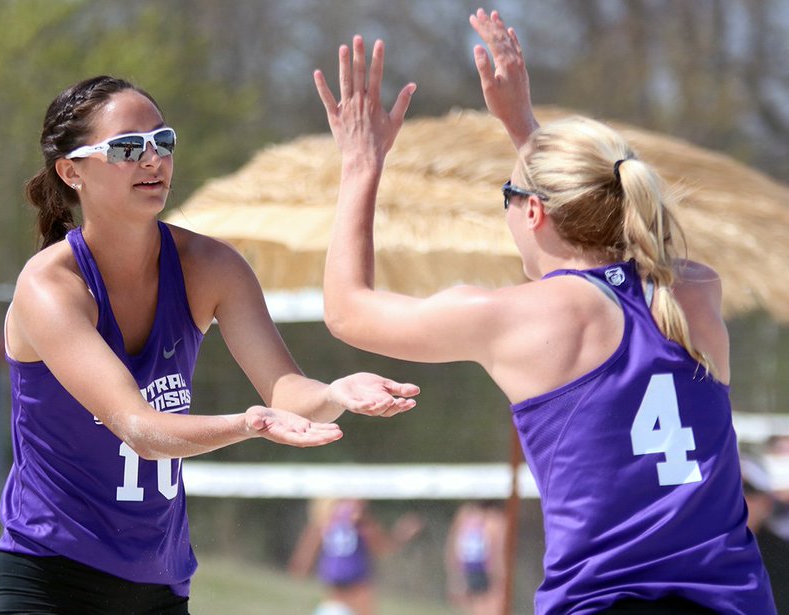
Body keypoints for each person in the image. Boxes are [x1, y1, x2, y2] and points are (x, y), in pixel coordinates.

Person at [312, 8, 775, 615]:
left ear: (532, 213)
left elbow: (348, 311)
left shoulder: (519, 318)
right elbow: (600, 228)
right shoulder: (693, 291)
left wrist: (360, 162)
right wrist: (525, 132)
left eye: (508, 196)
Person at [0, 75, 421, 614]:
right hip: (52, 578)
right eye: (128, 147)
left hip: (159, 583)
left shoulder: (211, 267)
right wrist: (248, 424)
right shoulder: (50, 286)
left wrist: (335, 392)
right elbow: (140, 428)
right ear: (72, 170)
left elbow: (288, 393)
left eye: (162, 141)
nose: (152, 160)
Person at [288, 498, 424, 615]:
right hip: (355, 590)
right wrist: (402, 534)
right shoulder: (360, 520)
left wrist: (302, 565)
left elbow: (309, 547)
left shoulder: (330, 517)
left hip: (336, 590)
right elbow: (382, 547)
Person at [741, 455, 789, 613]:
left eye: (746, 489)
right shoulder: (689, 555)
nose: (737, 498)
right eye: (726, 489)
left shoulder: (783, 558)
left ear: (767, 502)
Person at [444, 501, 506, 615]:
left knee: (475, 607)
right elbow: (497, 550)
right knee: (489, 607)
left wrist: (454, 576)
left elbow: (453, 546)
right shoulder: (495, 519)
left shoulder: (465, 515)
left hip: (468, 569)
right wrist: (500, 576)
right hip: (483, 570)